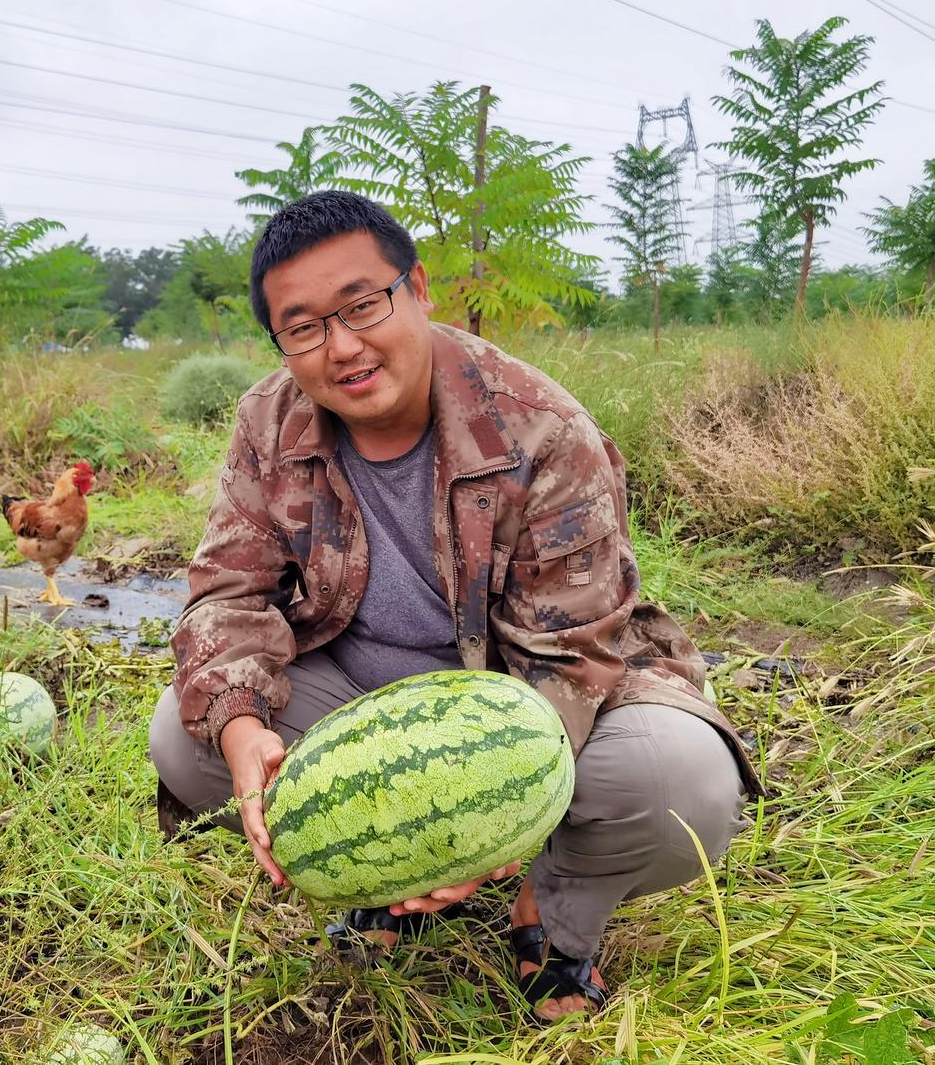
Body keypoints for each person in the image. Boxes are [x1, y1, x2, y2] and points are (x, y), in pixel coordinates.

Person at [147, 190, 760, 1021]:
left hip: (538, 697)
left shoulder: (540, 428)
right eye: (304, 327)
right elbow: (228, 591)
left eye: (362, 304)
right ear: (281, 342)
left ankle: (552, 917)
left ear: (418, 287)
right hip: (365, 693)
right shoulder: (269, 420)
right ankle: (376, 882)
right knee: (189, 737)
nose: (343, 346)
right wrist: (245, 727)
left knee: (683, 783)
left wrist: (492, 819)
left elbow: (570, 654)